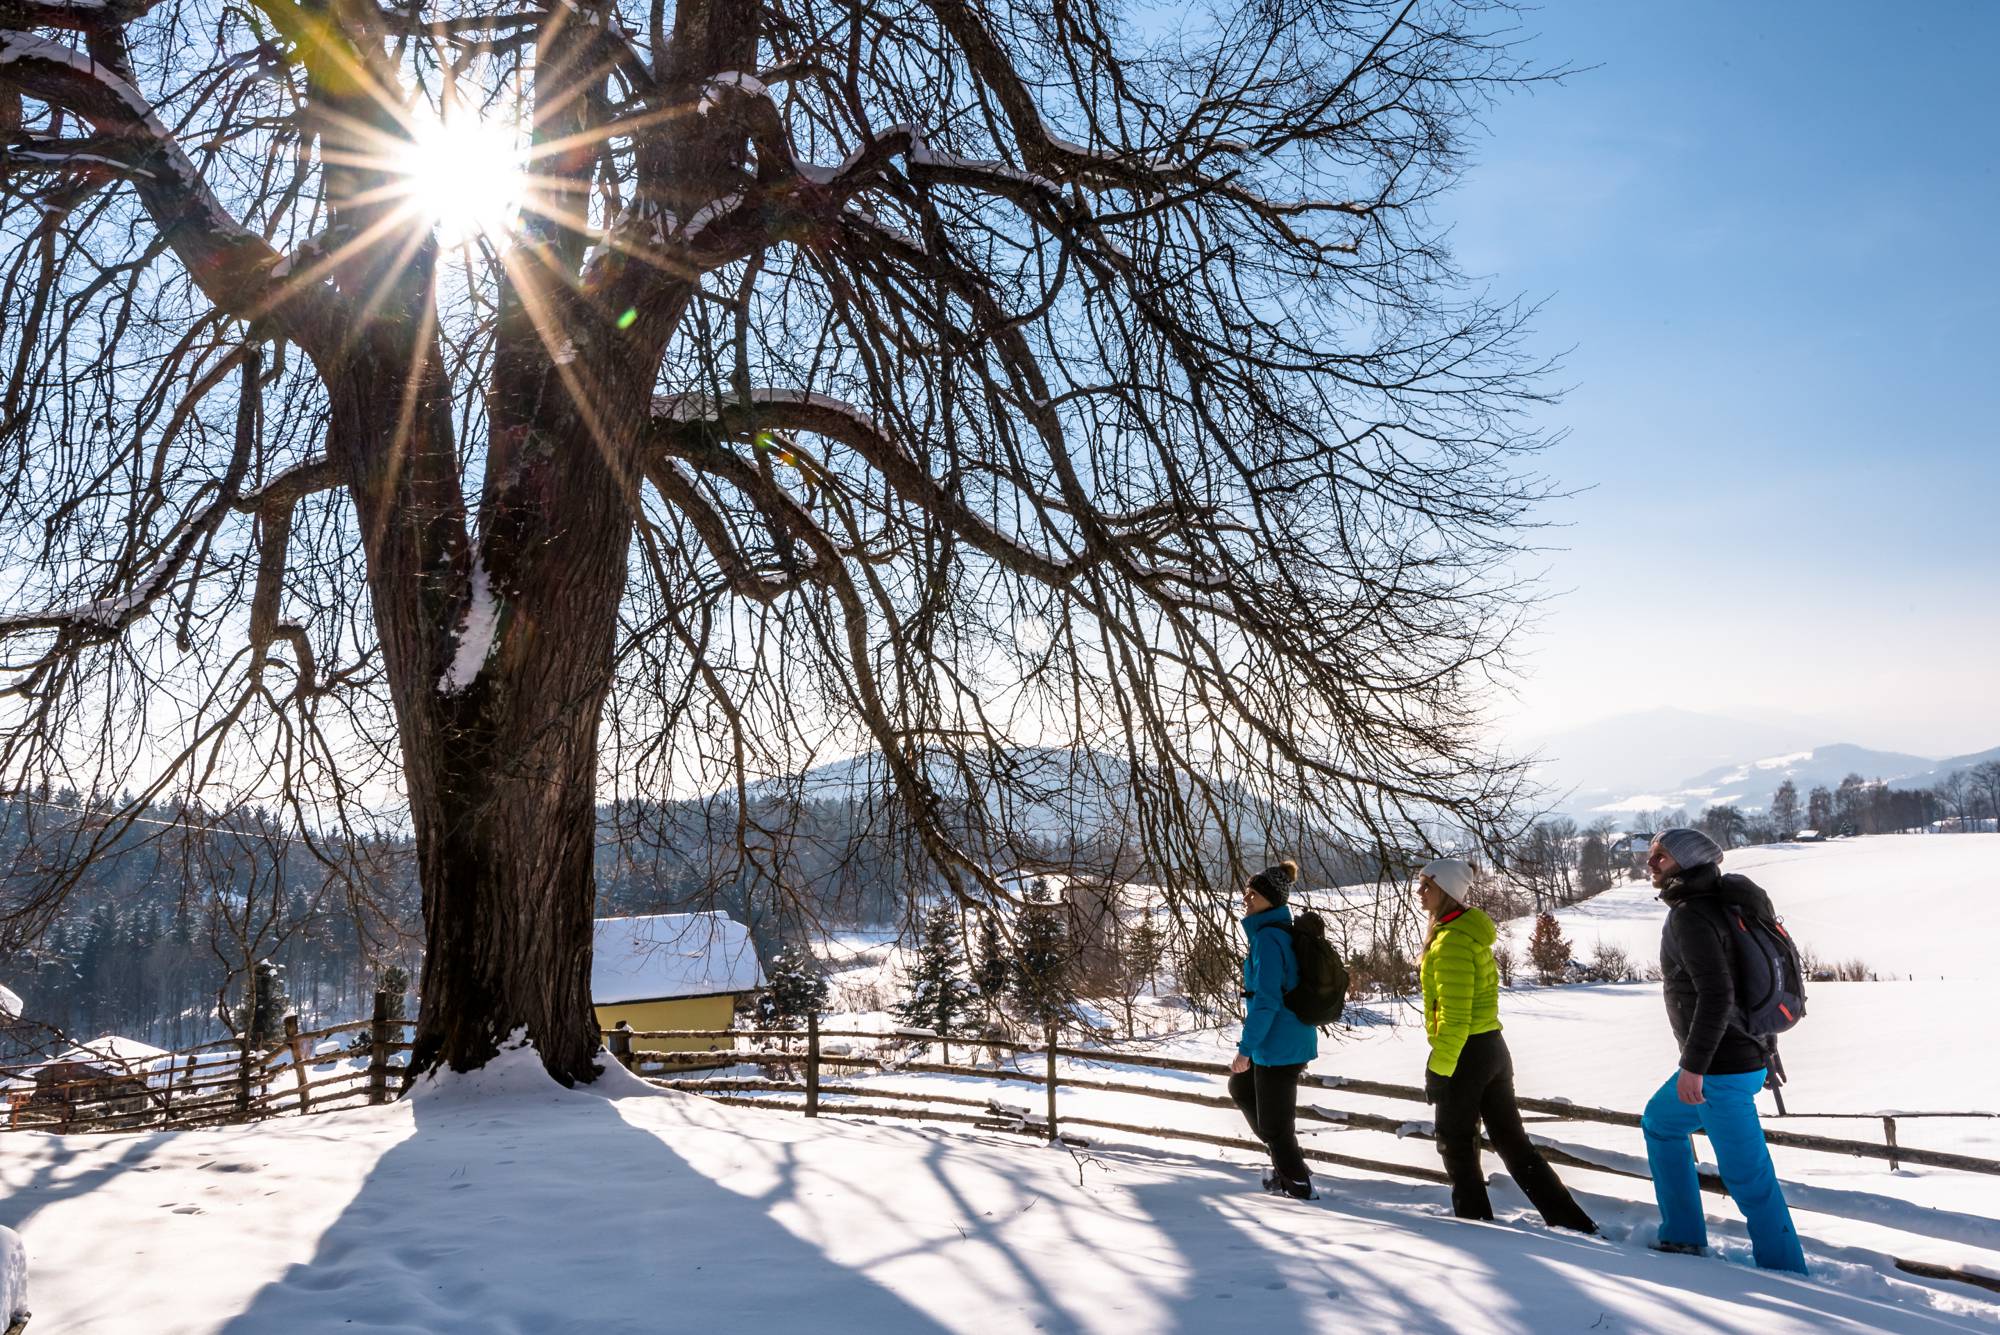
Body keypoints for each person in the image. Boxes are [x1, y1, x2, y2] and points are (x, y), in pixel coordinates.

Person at [1641, 828, 1808, 1274]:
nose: (1651, 862)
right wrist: (1765, 1053)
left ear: (1688, 862)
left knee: (1750, 1180)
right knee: (1660, 1123)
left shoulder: (1692, 916)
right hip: (1739, 1060)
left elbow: (1718, 995)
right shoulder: (1721, 904)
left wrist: (1693, 1068)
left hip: (1720, 1070)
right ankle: (1682, 1235)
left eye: (1661, 856)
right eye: (1652, 854)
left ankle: (1788, 1273)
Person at [1417, 857, 1597, 1233]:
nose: (1420, 892)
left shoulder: (1451, 943)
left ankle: (1475, 1226)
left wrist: (1439, 1067)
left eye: (1427, 885)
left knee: (1455, 1142)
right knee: (1513, 1143)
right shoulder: (1466, 933)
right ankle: (1572, 1222)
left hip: (1465, 1052)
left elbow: (1455, 1016)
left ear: (1446, 891)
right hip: (1491, 1049)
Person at [1227, 860, 1318, 1200]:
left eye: (1254, 894)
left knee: (1275, 1127)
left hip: (1278, 1045)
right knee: (1241, 1086)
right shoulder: (1276, 933)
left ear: (1271, 900)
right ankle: (1288, 1165)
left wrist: (1245, 1049)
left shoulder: (1267, 940)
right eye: (1246, 893)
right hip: (1286, 1040)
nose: (1246, 899)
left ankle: (1297, 1187)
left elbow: (1265, 1002)